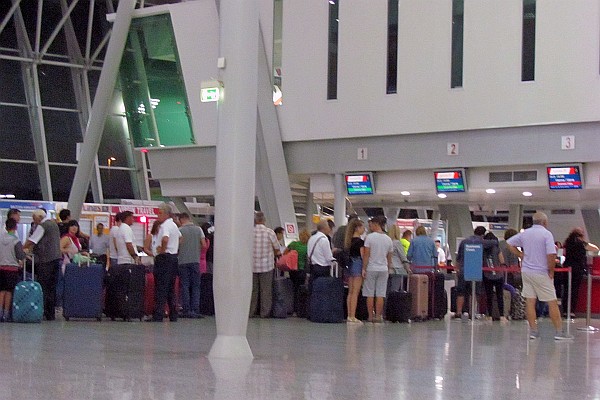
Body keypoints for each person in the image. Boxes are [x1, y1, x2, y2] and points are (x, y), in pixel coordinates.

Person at [506, 212, 572, 340]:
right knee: (551, 301)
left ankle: (533, 332)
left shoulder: (525, 233)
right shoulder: (546, 234)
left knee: (530, 301)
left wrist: (520, 255)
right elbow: (551, 255)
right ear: (544, 222)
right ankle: (559, 332)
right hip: (541, 272)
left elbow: (509, 243)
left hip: (526, 272)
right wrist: (551, 271)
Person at [23, 209, 61, 321]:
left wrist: (21, 248)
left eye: (34, 219)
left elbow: (32, 241)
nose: (34, 222)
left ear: (39, 217)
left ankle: (41, 311)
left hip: (45, 260)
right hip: (56, 259)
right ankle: (51, 314)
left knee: (43, 287)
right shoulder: (54, 225)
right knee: (52, 287)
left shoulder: (43, 226)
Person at [455, 226, 497, 320]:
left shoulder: (464, 242)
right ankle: (473, 312)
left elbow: (458, 257)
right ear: (483, 235)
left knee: (461, 292)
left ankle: (458, 312)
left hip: (462, 270)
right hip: (475, 270)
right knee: (474, 292)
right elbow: (495, 242)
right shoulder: (482, 242)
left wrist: (458, 269)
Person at [148, 204, 182, 322]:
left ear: (167, 214)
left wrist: (162, 250)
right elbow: (181, 238)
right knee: (170, 287)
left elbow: (165, 239)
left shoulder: (165, 226)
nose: (158, 215)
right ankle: (173, 314)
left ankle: (158, 314)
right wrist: (175, 248)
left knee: (161, 287)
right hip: (173, 258)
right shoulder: (174, 225)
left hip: (164, 258)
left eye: (160, 213)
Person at [560, 228, 598, 317]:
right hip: (577, 269)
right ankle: (571, 311)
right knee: (574, 290)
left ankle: (565, 310)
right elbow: (595, 248)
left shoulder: (567, 242)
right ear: (580, 236)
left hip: (567, 267)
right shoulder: (581, 243)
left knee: (566, 290)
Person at [362, 215, 393, 323]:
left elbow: (366, 255)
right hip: (383, 268)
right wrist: (388, 268)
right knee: (380, 293)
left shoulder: (369, 237)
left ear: (376, 224)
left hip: (371, 268)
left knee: (369, 293)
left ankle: (370, 316)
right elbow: (389, 257)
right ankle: (378, 316)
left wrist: (364, 268)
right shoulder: (388, 239)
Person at [249, 211, 281, 318]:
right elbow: (277, 248)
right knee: (266, 291)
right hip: (266, 266)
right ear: (264, 220)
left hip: (251, 266)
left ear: (255, 220)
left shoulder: (249, 232)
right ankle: (264, 313)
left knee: (253, 290)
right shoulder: (270, 232)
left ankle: (251, 312)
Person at [177, 213, 206, 318]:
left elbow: (177, 244)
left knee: (185, 285)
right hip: (195, 261)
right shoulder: (198, 229)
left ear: (181, 220)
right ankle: (195, 309)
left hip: (183, 261)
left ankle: (186, 309)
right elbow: (204, 245)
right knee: (196, 286)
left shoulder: (180, 230)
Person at [0, 218, 26, 322]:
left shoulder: (0, 238)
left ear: (6, 227)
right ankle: (6, 314)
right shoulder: (16, 240)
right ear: (15, 227)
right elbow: (20, 255)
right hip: (12, 269)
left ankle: (0, 312)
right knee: (9, 291)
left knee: (1, 291)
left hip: (1, 267)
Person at [344, 218, 365, 324]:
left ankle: (349, 315)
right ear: (357, 228)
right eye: (362, 227)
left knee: (350, 292)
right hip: (358, 264)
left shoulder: (348, 241)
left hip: (350, 265)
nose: (364, 229)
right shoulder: (360, 242)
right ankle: (353, 316)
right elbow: (363, 256)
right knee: (355, 292)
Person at [482, 231, 507, 321]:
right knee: (499, 295)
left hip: (487, 275)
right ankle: (502, 315)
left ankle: (489, 315)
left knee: (489, 296)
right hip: (498, 275)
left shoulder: (483, 249)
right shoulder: (497, 248)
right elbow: (502, 261)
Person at [284, 229, 309, 315]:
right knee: (301, 289)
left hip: (292, 270)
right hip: (302, 270)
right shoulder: (307, 247)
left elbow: (285, 253)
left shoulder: (294, 244)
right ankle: (300, 310)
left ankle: (293, 309)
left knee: (294, 289)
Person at [306, 219, 335, 290]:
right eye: (329, 227)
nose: (330, 229)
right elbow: (328, 257)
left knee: (314, 290)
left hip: (312, 267)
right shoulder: (324, 240)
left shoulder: (311, 238)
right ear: (325, 228)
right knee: (322, 290)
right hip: (323, 269)